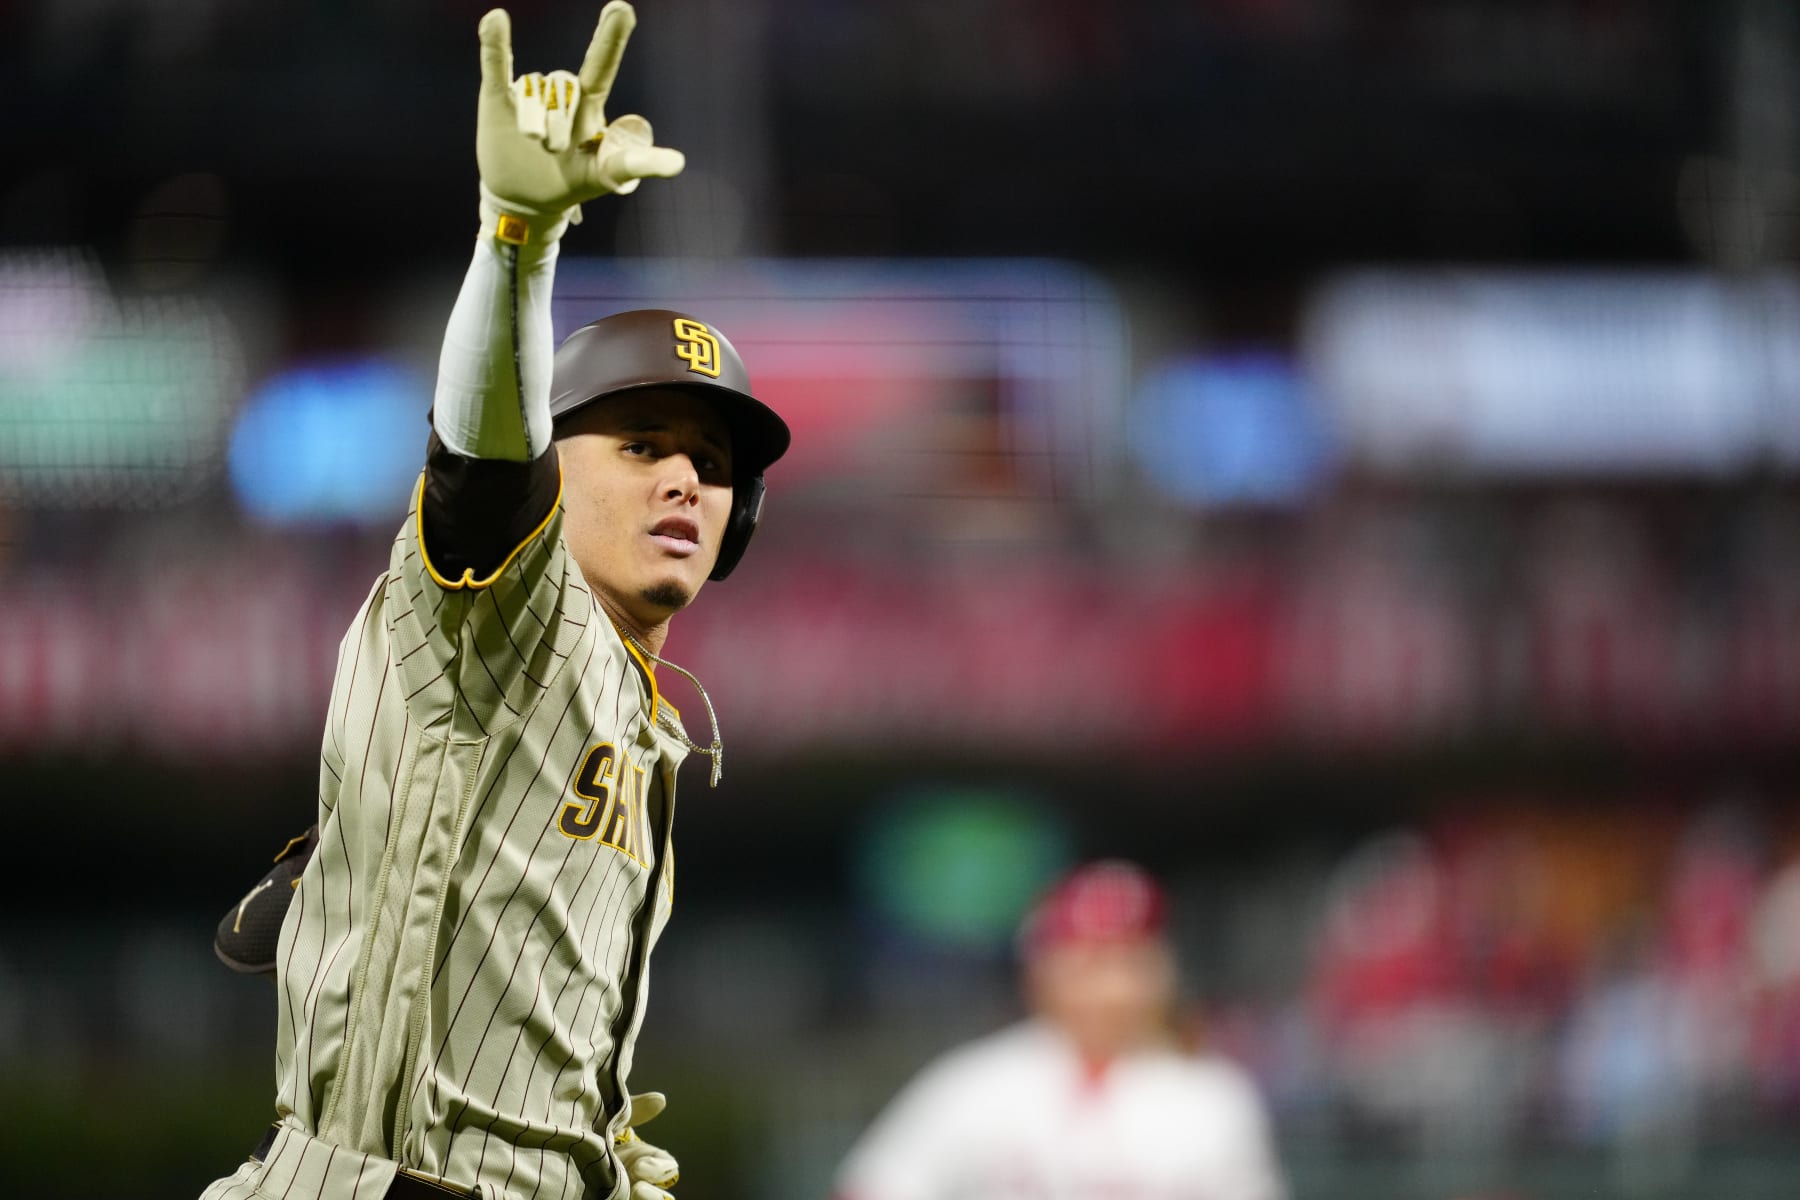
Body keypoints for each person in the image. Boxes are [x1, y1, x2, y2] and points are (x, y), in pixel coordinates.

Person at [199, 5, 789, 1199]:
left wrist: (587, 1142)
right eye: (641, 444)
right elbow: (478, 466)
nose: (685, 476)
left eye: (714, 467)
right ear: (553, 469)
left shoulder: (645, 715)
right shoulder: (509, 609)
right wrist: (517, 240)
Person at [835, 860, 1288, 1200]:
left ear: (1160, 970)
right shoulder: (975, 1083)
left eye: (1127, 960)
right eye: (1087, 962)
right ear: (1042, 969)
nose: (1109, 987)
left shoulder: (1211, 1097)